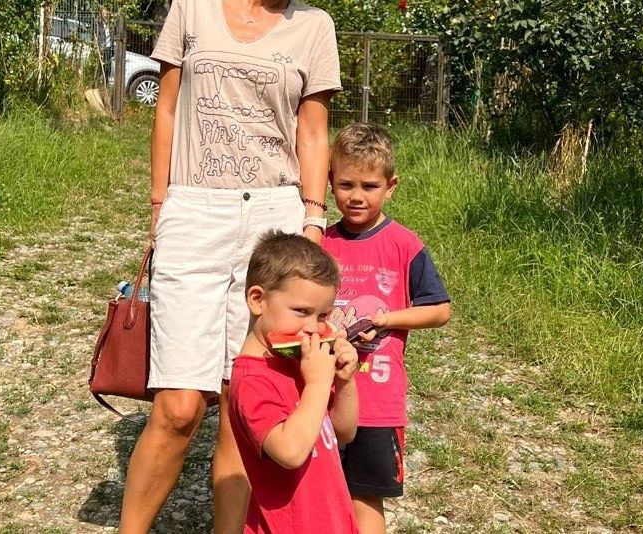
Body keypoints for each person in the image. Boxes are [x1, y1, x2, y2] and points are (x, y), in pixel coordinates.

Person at [117, 0, 341, 531]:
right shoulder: (192, 8)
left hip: (275, 214)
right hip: (194, 209)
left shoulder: (315, 26)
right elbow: (166, 108)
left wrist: (313, 221)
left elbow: (313, 132)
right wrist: (160, 203)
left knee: (240, 399)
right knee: (178, 407)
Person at [321, 123, 452, 534]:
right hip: (319, 396)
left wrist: (385, 319)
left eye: (370, 186)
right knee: (318, 492)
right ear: (329, 181)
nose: (356, 196)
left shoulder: (405, 245)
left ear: (391, 187)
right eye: (346, 184)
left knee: (364, 496)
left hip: (377, 402)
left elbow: (439, 310)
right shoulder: (320, 243)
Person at [228, 231, 360, 533]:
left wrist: (344, 381)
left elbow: (344, 432)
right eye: (301, 311)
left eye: (323, 315)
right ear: (258, 300)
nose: (313, 327)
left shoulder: (300, 364)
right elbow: (289, 452)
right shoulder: (252, 379)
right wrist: (317, 385)